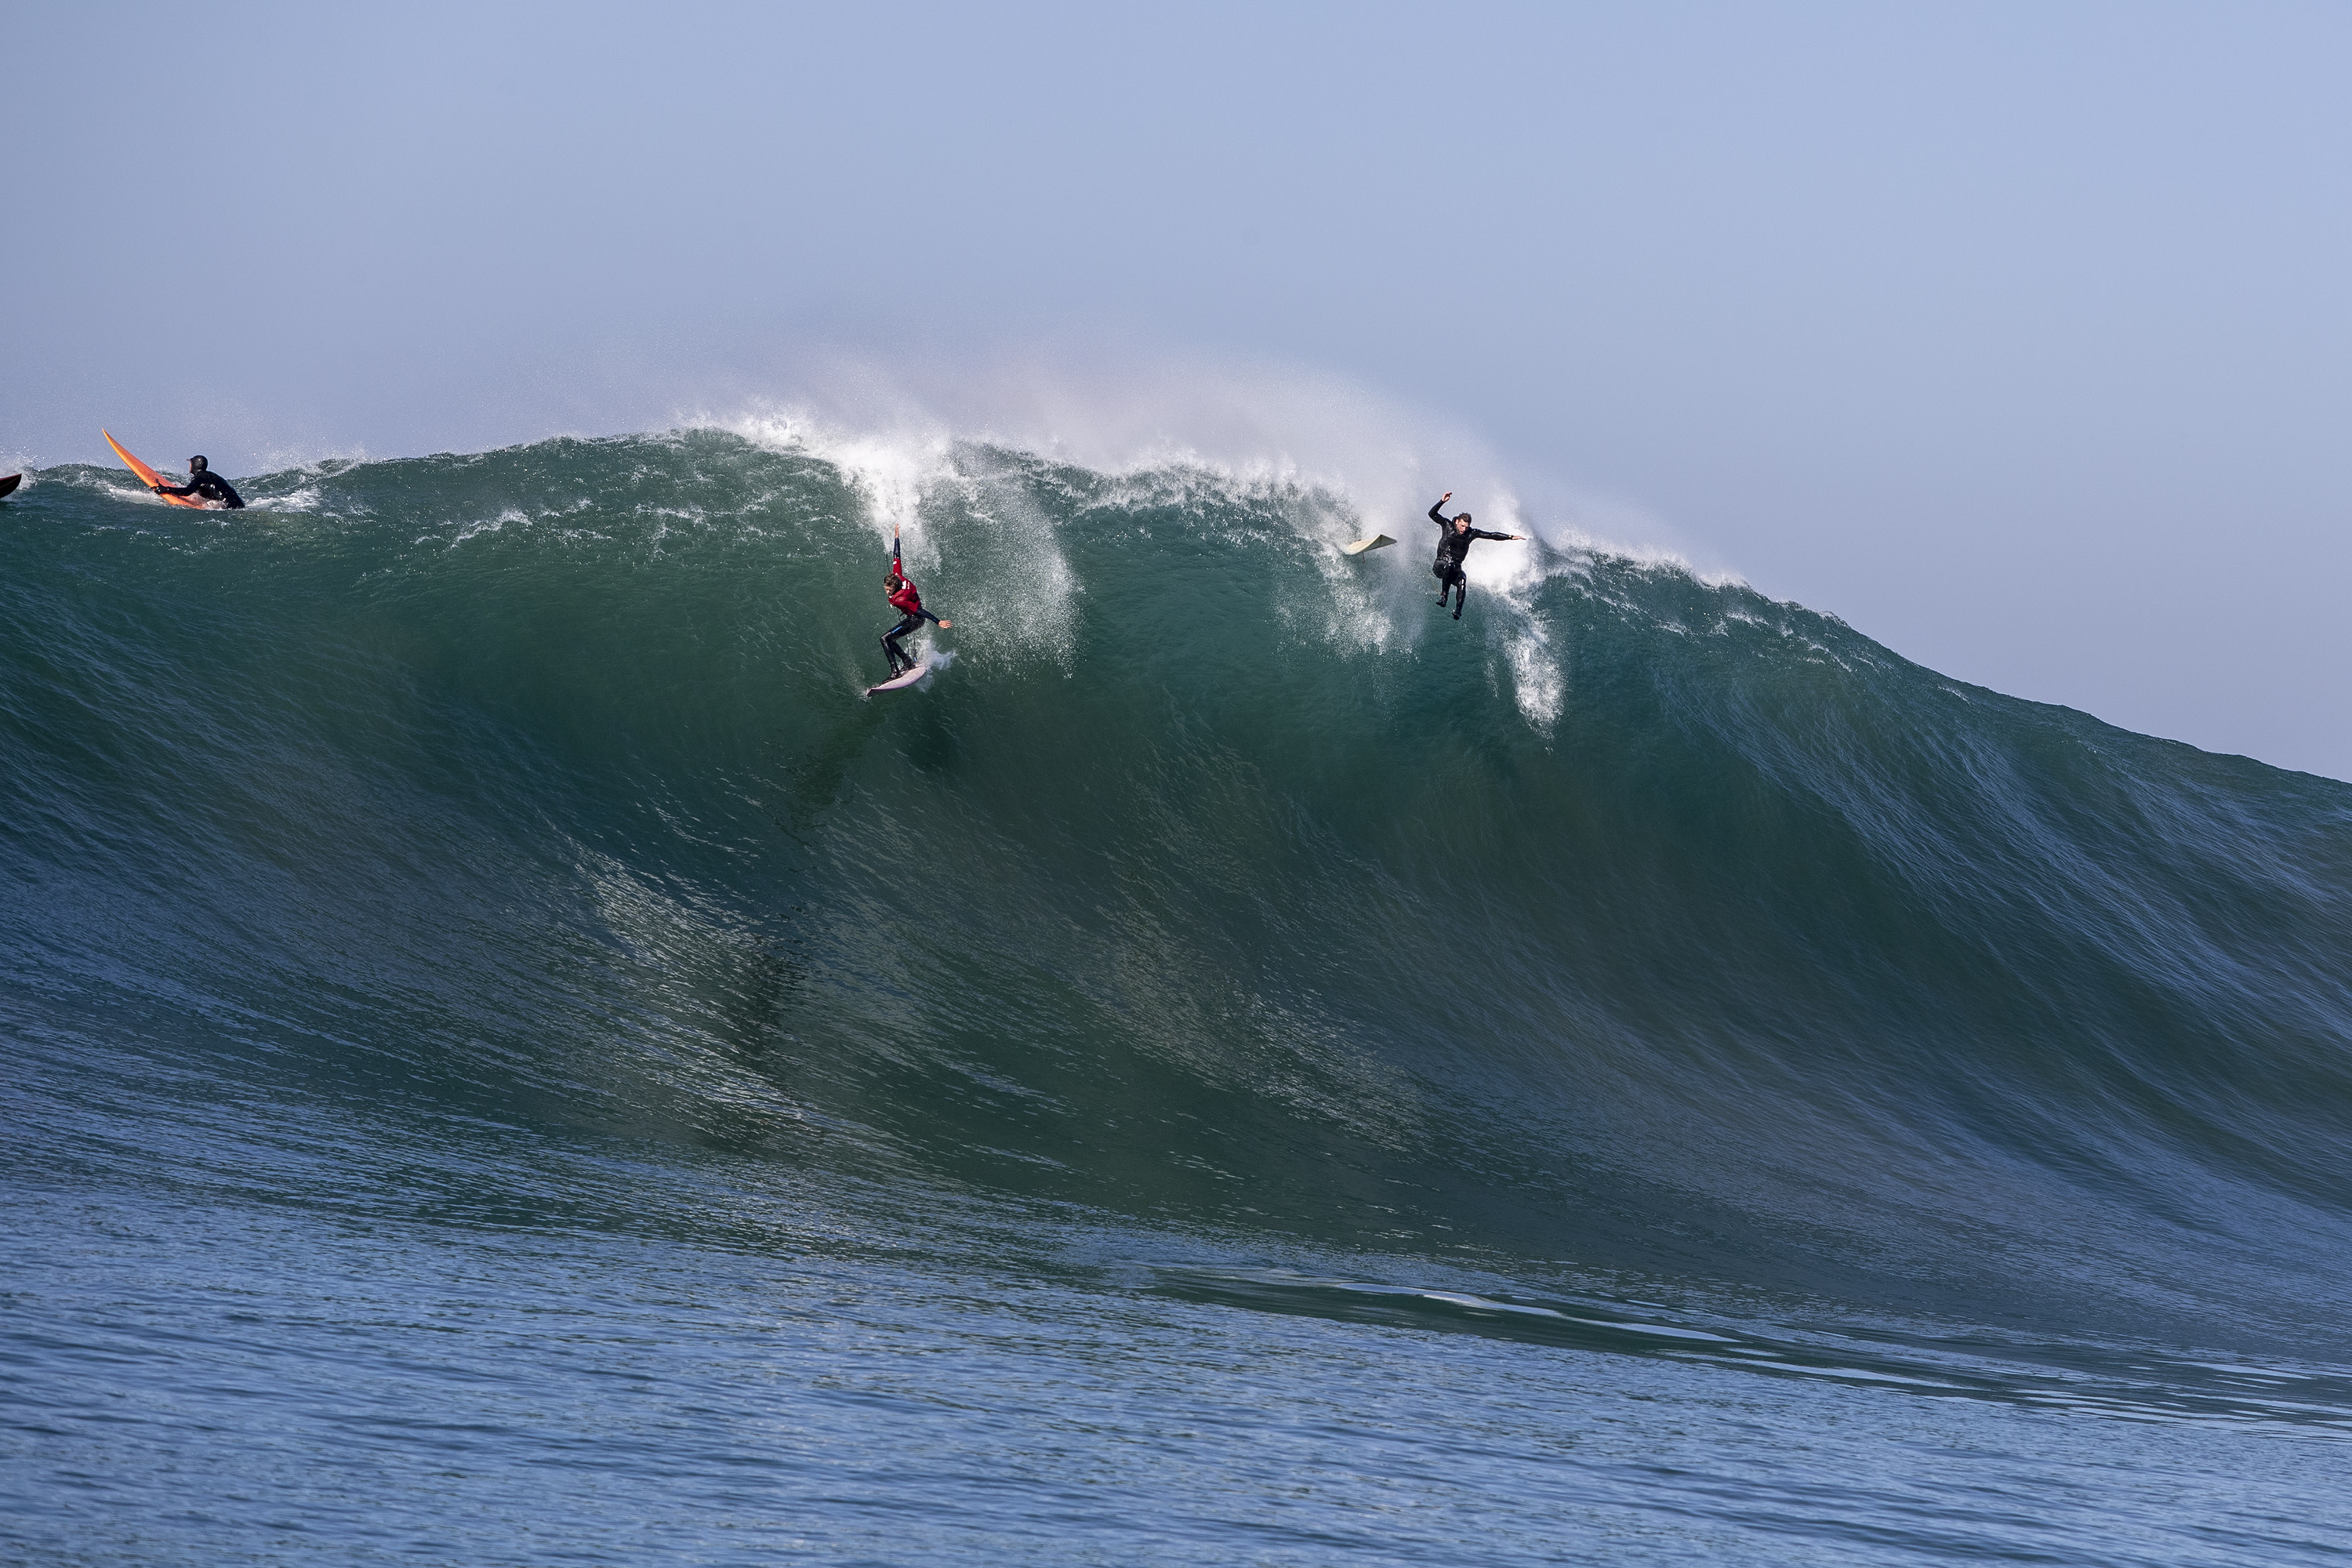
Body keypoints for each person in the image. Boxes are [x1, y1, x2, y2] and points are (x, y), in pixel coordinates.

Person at [1426, 491, 1521, 619]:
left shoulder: (1471, 533)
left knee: (1462, 579)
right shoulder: (1448, 526)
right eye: (1462, 525)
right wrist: (1442, 501)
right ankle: (1444, 597)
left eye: (1466, 526)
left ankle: (1458, 611)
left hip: (1455, 568)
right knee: (1450, 564)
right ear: (1457, 522)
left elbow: (1491, 535)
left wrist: (1510, 537)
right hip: (1440, 565)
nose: (1464, 529)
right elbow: (1432, 514)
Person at [880, 543, 951, 677]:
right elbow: (897, 555)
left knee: (884, 639)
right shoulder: (897, 576)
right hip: (912, 617)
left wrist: (938, 621)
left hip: (916, 619)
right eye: (886, 588)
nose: (887, 592)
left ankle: (895, 672)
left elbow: (919, 611)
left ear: (896, 587)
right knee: (889, 639)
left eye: (890, 590)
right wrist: (897, 537)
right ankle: (907, 662)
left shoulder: (900, 599)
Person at [152, 456, 245, 510]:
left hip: (230, 507)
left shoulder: (201, 477)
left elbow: (187, 491)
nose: (189, 466)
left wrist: (166, 489)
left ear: (194, 465)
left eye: (190, 464)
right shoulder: (211, 475)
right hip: (239, 504)